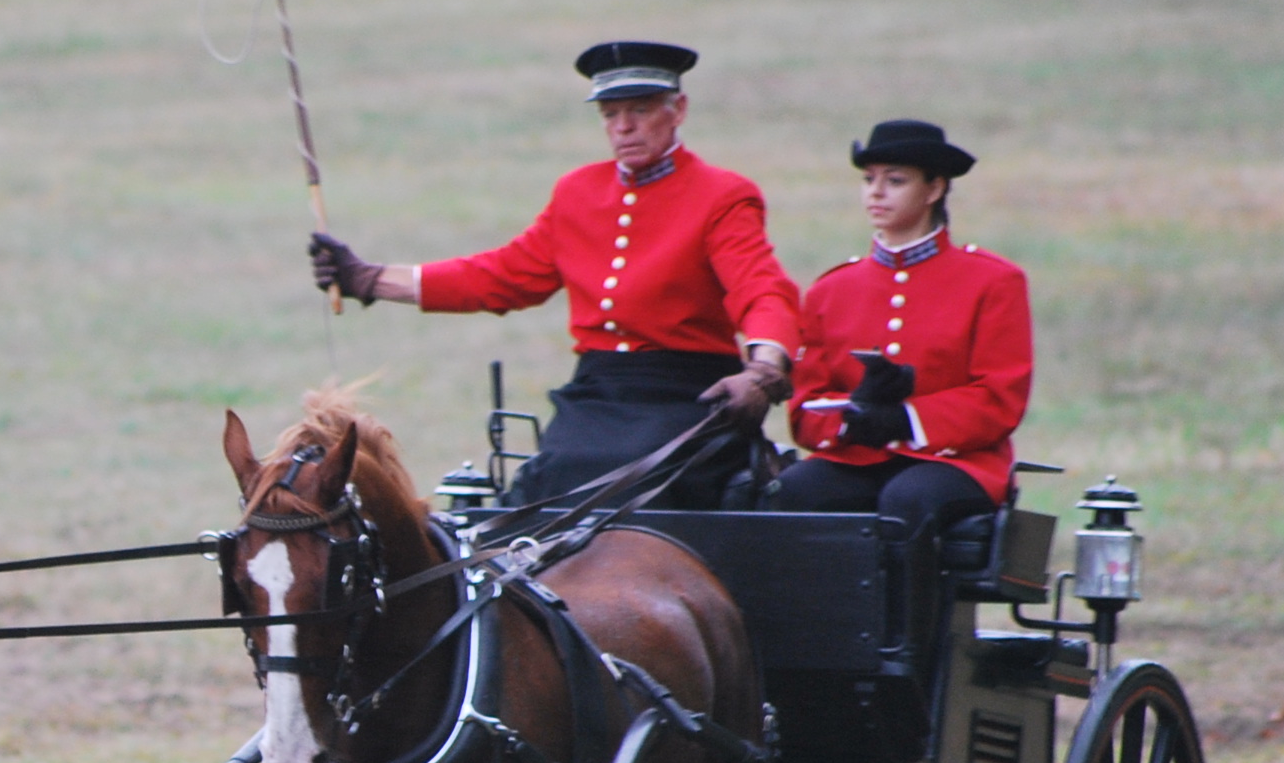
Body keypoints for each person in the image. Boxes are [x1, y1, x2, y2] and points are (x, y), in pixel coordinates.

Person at [307, 40, 800, 509]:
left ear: (680, 110)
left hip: (688, 393)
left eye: (641, 110)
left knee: (639, 477)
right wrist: (368, 279)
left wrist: (762, 372)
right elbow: (501, 275)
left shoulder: (723, 195)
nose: (624, 127)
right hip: (597, 392)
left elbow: (762, 291)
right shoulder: (577, 192)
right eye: (610, 114)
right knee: (547, 483)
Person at [772, 120, 1033, 546]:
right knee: (792, 491)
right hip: (856, 457)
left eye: (895, 181)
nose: (875, 192)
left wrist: (906, 419)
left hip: (958, 463)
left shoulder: (993, 282)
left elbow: (998, 399)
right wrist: (855, 416)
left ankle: (908, 617)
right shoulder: (829, 290)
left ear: (934, 190)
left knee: (908, 498)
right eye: (868, 179)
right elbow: (806, 409)